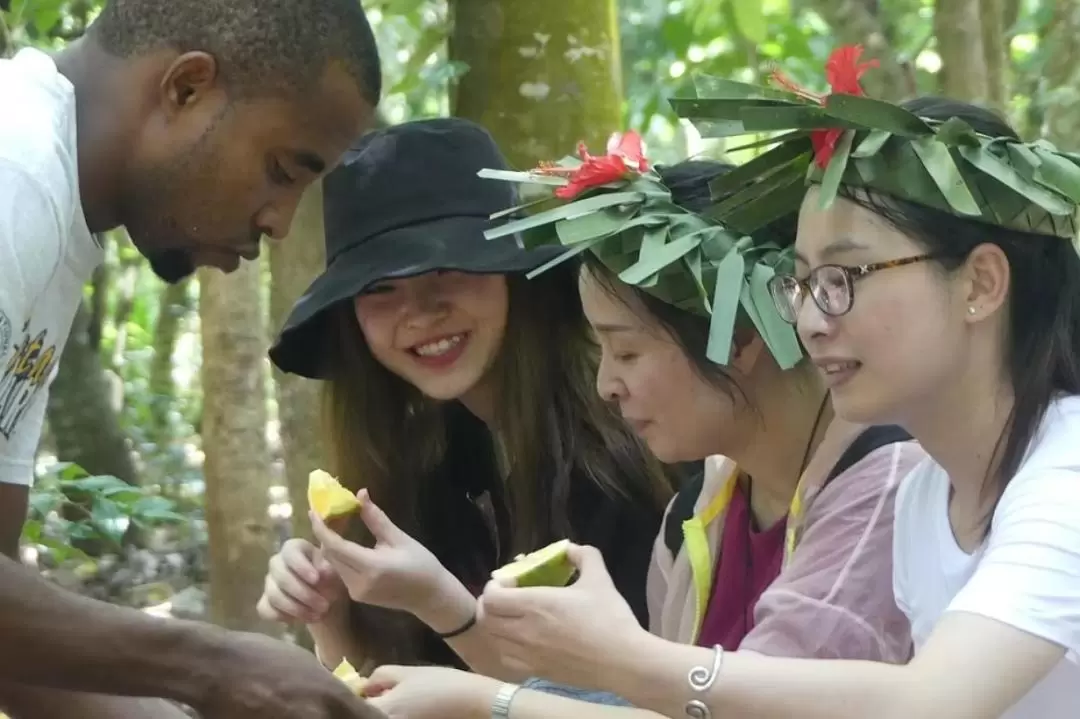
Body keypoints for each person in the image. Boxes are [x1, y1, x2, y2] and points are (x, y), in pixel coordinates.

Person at [362, 52, 1080, 719]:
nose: (809, 319)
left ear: (981, 283)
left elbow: (931, 703)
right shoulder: (928, 495)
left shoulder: (1063, 474)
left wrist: (623, 659)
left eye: (845, 278)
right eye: (801, 282)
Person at [346, 146, 922, 719]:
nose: (606, 385)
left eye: (626, 350)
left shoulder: (883, 490)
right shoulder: (697, 514)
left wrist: (490, 702)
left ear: (739, 338)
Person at [0, 0, 384, 716]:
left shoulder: (48, 216)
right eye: (281, 171)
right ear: (185, 88)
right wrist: (210, 666)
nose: (279, 221)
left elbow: (13, 643)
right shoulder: (12, 176)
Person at [256, 118, 674, 676]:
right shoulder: (423, 465)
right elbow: (384, 692)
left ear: (512, 276)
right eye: (380, 289)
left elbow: (626, 698)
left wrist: (439, 602)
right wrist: (328, 613)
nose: (422, 313)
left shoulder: (625, 444)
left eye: (448, 269)